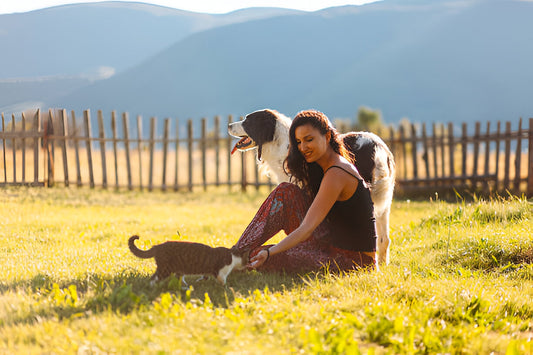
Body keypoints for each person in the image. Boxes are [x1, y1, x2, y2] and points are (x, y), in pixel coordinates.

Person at [234, 109, 377, 273]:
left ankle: (234, 259)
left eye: (309, 140)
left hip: (355, 262)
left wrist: (268, 252)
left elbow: (307, 228)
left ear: (328, 137)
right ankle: (233, 255)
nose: (303, 147)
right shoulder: (324, 166)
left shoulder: (337, 173)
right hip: (331, 246)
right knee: (285, 192)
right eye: (299, 142)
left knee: (260, 256)